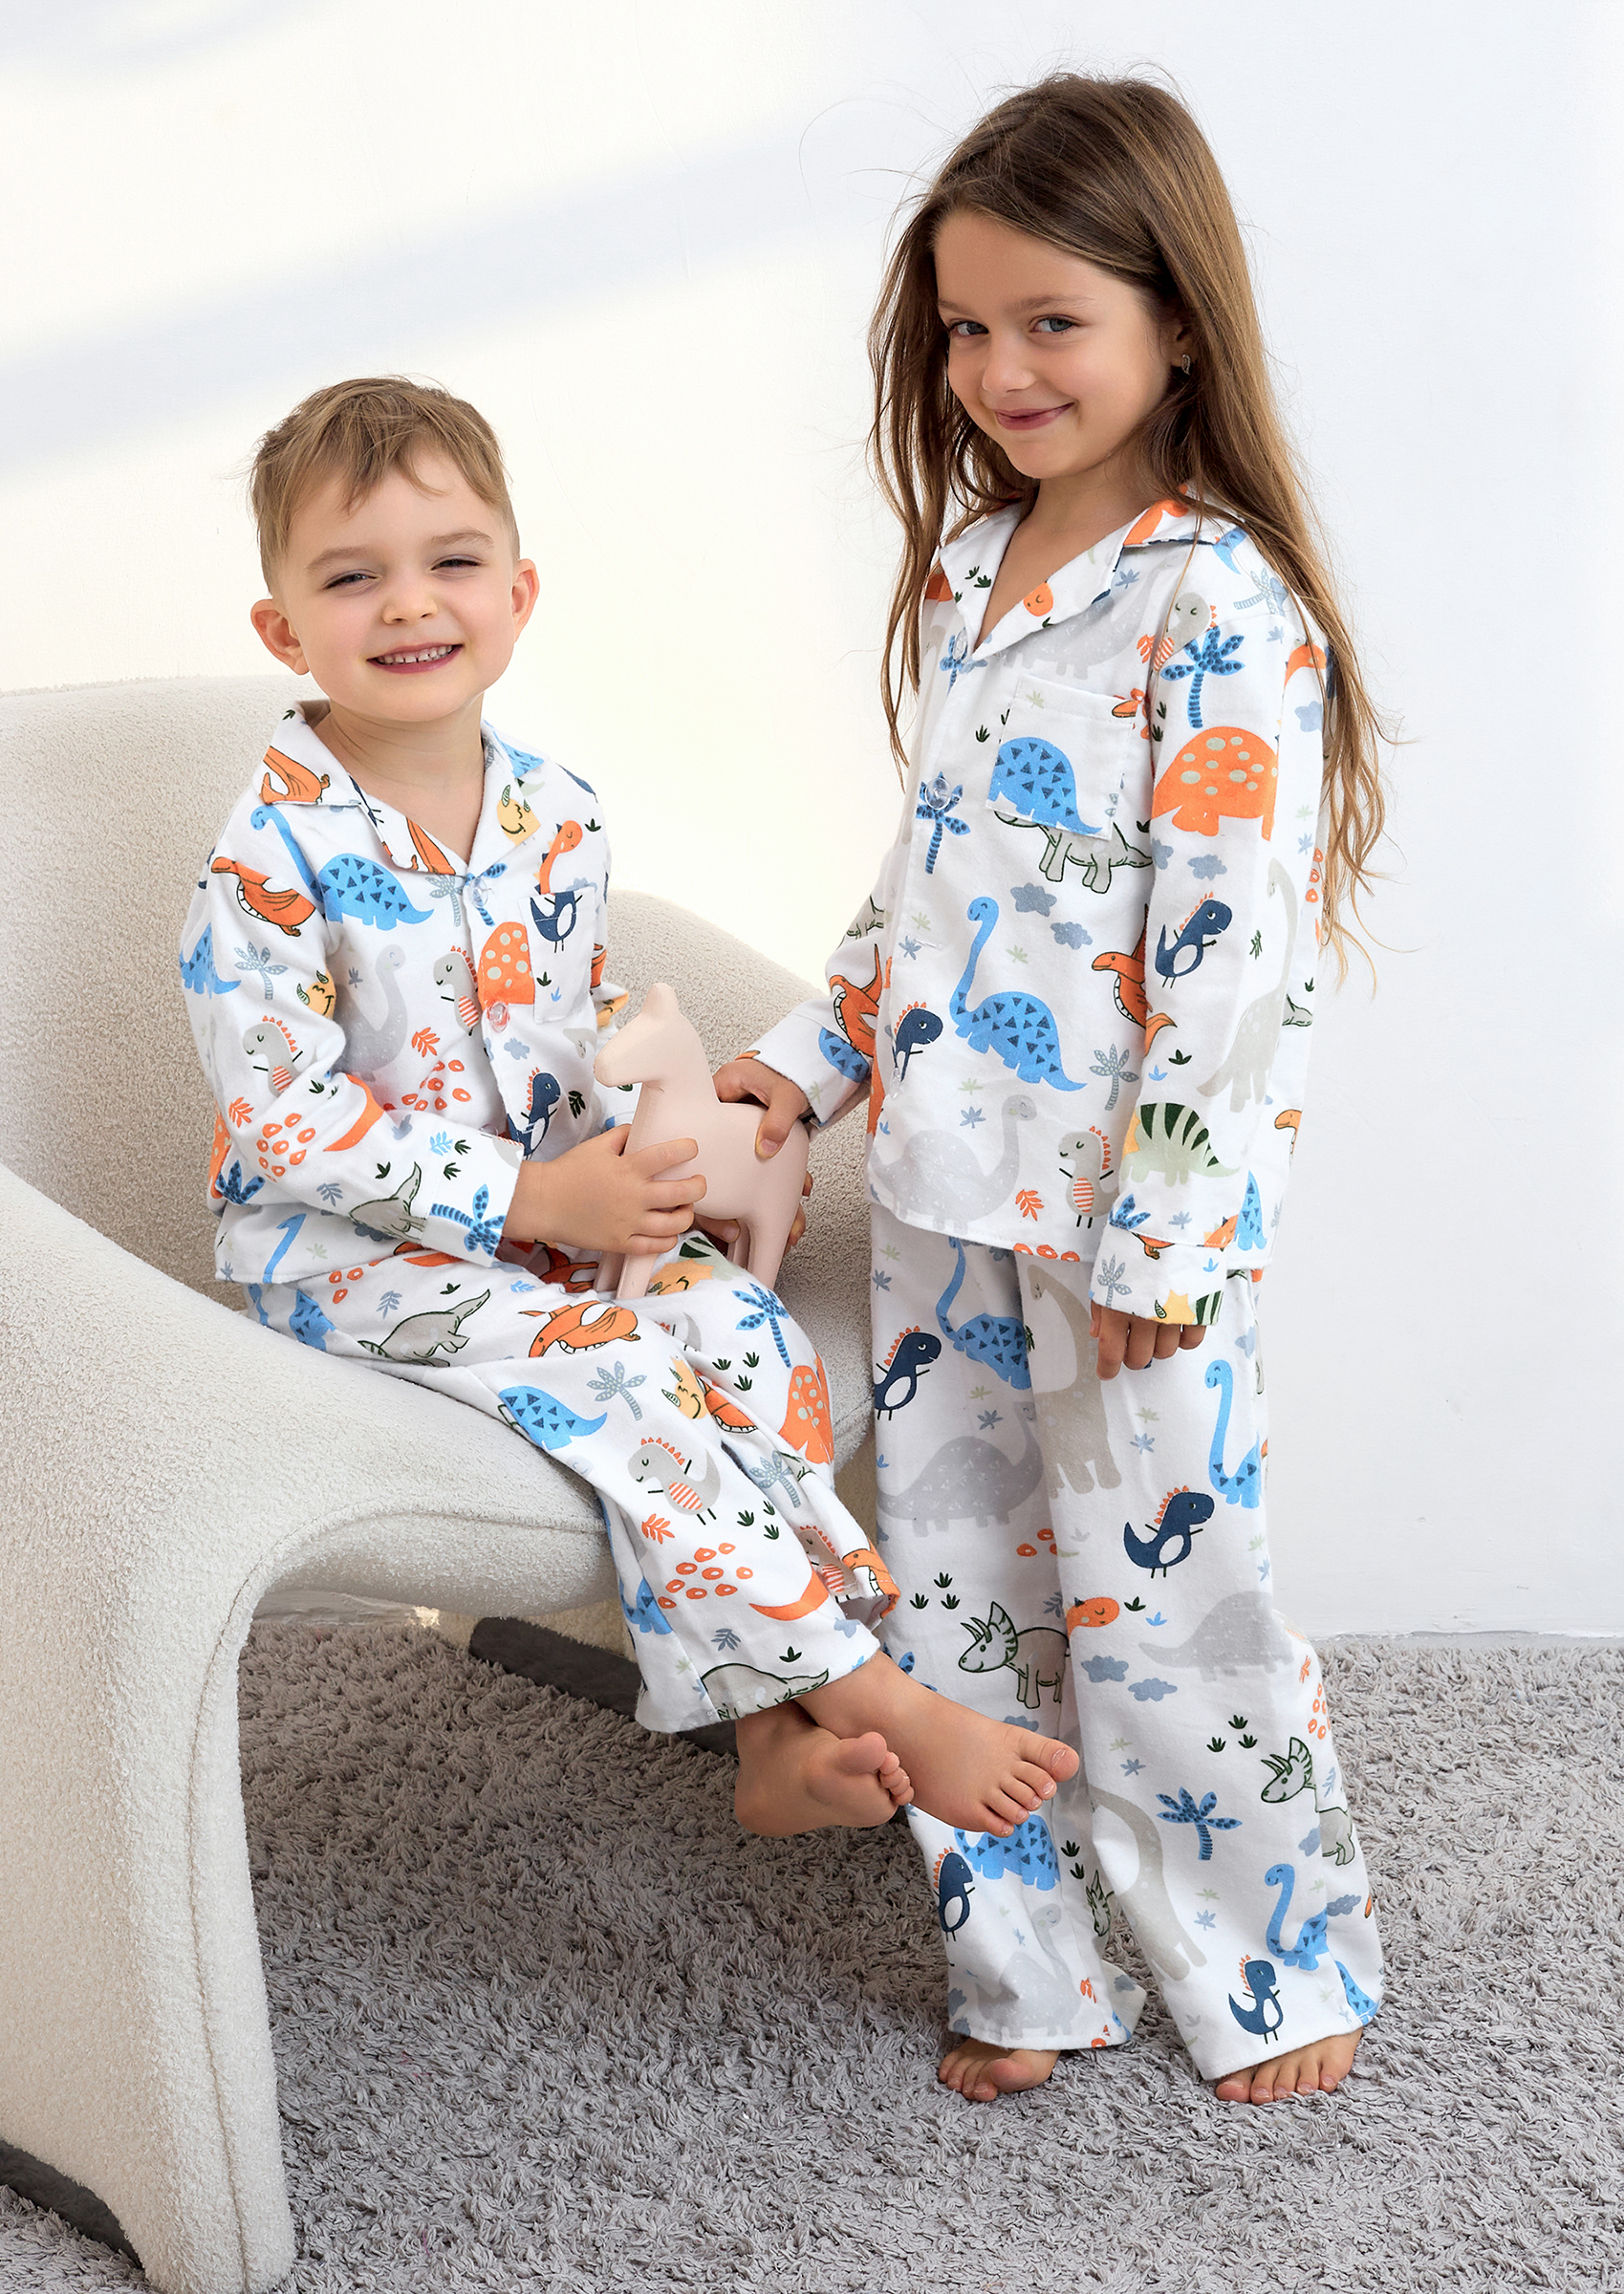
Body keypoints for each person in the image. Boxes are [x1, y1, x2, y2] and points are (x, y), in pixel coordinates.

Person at [714, 75, 1388, 2107]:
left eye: (1051, 322)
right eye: (964, 328)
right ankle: (1023, 1979)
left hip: (1124, 1233)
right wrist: (800, 1069)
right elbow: (927, 897)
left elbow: (1237, 957)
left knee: (1177, 1614)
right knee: (957, 1616)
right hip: (941, 1194)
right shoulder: (974, 575)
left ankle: (1273, 1966)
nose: (1000, 370)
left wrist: (1173, 1236)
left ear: (1177, 320)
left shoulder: (1223, 603)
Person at [178, 376, 1079, 1849]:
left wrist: (671, 1147)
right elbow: (283, 1117)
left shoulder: (560, 815)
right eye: (352, 577)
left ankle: (768, 1735)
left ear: (517, 594)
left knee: (741, 1333)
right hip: (349, 1258)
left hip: (558, 1223)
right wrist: (529, 1201)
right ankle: (869, 1692)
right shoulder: (269, 854)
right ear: (284, 630)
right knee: (623, 1370)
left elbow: (566, 1034)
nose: (409, 603)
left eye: (452, 560)